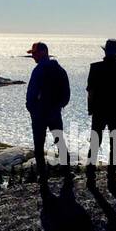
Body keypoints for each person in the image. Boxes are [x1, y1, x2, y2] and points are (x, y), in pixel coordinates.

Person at [85, 39, 116, 185]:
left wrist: (90, 108)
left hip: (99, 110)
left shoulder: (95, 68)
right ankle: (111, 177)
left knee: (95, 141)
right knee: (115, 143)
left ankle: (90, 176)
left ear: (105, 51)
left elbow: (90, 92)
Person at [24, 41, 71, 183]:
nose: (33, 56)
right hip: (55, 113)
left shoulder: (38, 70)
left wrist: (32, 109)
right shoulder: (59, 69)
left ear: (43, 52)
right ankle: (66, 172)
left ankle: (42, 176)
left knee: (39, 145)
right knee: (60, 141)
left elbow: (31, 93)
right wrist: (59, 106)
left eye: (35, 53)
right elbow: (67, 93)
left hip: (40, 114)